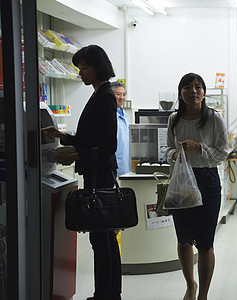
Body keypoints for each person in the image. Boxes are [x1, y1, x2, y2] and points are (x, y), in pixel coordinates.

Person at [42, 45, 121, 300]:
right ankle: (108, 293)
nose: (81, 73)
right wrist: (62, 137)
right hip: (98, 172)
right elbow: (91, 137)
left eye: (84, 68)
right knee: (104, 236)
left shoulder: (105, 95)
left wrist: (77, 154)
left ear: (98, 67)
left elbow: (109, 145)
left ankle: (105, 294)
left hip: (101, 175)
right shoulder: (99, 94)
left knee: (101, 237)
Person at [166, 73, 228, 300]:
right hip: (181, 182)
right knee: (183, 238)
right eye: (188, 87)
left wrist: (198, 147)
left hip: (207, 182)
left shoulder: (213, 119)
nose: (194, 91)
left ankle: (203, 294)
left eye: (198, 87)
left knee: (205, 242)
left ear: (204, 93)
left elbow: (223, 154)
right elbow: (167, 150)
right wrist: (175, 153)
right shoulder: (174, 119)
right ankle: (190, 285)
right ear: (180, 93)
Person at [112, 81, 130, 177]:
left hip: (125, 164)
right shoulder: (111, 115)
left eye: (123, 94)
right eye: (118, 94)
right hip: (115, 164)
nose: (122, 98)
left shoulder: (124, 114)